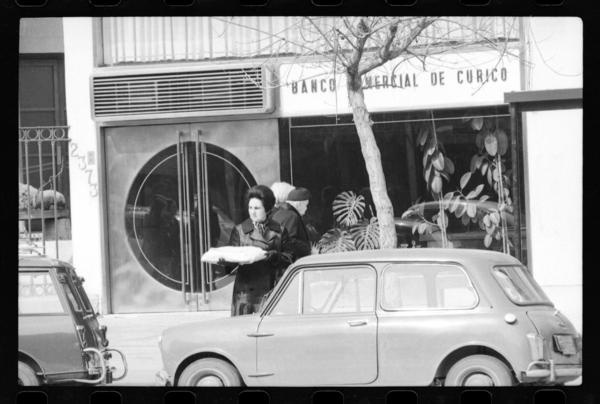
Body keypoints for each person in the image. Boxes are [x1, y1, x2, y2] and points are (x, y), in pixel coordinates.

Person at [225, 185, 293, 316]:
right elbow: (229, 267)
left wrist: (275, 256)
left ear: (267, 209)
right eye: (250, 208)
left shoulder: (279, 231)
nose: (252, 212)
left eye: (257, 208)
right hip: (246, 295)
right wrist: (228, 261)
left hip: (272, 291)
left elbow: (290, 259)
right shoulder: (240, 231)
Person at [269, 183, 312, 260]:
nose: (306, 208)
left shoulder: (279, 213)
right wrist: (308, 249)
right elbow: (289, 241)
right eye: (306, 205)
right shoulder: (290, 215)